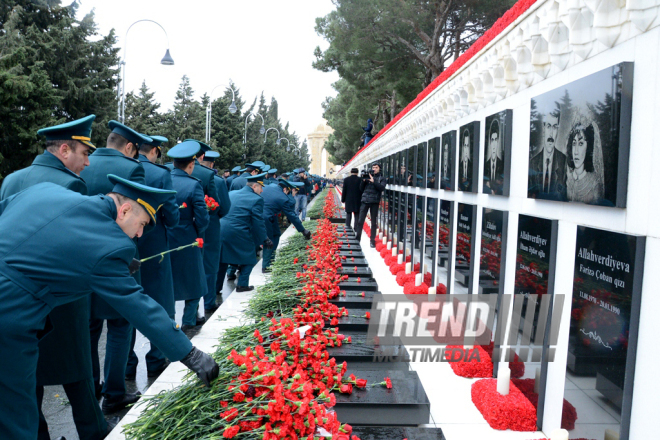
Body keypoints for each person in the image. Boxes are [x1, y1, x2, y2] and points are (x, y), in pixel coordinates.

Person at [0, 176, 219, 440]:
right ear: (125, 210)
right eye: (141, 225)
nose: (139, 234)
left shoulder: (45, 189)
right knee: (16, 415)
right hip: (9, 317)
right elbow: (140, 307)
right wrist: (191, 355)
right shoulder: (110, 246)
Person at [0, 115, 113, 439]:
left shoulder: (12, 179)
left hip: (16, 302)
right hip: (61, 302)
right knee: (79, 374)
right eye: (84, 153)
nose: (88, 162)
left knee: (27, 380)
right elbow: (81, 246)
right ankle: (94, 432)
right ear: (64, 150)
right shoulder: (71, 185)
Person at [80, 120, 146, 414]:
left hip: (83, 261)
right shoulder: (132, 169)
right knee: (120, 326)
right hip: (120, 261)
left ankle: (90, 386)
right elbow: (140, 216)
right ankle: (114, 392)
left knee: (90, 327)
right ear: (130, 147)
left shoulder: (85, 163)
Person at [126, 134, 179, 381]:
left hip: (125, 246)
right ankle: (156, 358)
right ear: (156, 151)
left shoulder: (126, 167)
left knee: (126, 305)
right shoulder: (161, 174)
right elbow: (172, 216)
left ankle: (126, 365)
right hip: (155, 247)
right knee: (160, 303)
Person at [166, 141, 210, 332]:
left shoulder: (164, 180)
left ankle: (169, 324)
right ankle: (189, 320)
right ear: (191, 164)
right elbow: (202, 218)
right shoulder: (194, 186)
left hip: (165, 236)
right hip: (188, 238)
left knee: (167, 281)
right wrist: (199, 234)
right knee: (195, 281)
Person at [218, 173, 272, 292]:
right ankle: (242, 284)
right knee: (249, 258)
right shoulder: (257, 199)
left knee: (221, 261)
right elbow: (258, 222)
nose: (262, 191)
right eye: (261, 187)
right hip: (239, 232)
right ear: (254, 187)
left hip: (221, 230)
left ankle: (215, 289)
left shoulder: (231, 193)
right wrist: (265, 238)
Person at [199, 150, 231, 312]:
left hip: (187, 228)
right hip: (210, 227)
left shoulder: (181, 175)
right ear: (212, 164)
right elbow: (224, 208)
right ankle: (209, 302)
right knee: (210, 264)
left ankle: (190, 309)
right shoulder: (216, 181)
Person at [261, 179, 312, 272]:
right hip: (266, 218)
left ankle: (271, 259)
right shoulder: (282, 198)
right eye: (289, 192)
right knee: (269, 239)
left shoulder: (270, 186)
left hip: (268, 215)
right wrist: (303, 230)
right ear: (285, 189)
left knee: (276, 234)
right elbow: (292, 215)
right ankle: (266, 266)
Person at [528, 110, 567, 201]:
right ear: (544, 129)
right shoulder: (533, 162)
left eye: (555, 127)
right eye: (548, 126)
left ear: (557, 130)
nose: (551, 133)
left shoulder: (564, 161)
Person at [565, 118, 604, 204]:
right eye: (574, 143)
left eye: (581, 144)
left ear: (588, 147)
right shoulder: (567, 179)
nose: (576, 151)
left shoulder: (594, 184)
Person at [354, 163, 386, 248]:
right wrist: (363, 181)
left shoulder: (381, 178)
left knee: (373, 223)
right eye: (373, 167)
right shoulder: (367, 176)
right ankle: (358, 238)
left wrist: (374, 181)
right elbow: (361, 189)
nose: (374, 169)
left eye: (376, 167)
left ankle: (372, 241)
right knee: (360, 221)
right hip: (365, 201)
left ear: (379, 169)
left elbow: (382, 188)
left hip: (374, 202)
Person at [484, 119, 504, 195]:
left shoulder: (500, 163)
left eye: (496, 140)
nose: (494, 143)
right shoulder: (486, 163)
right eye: (492, 140)